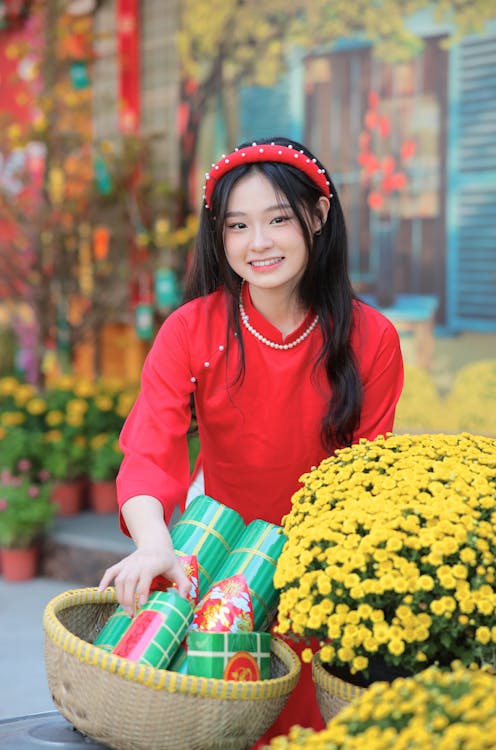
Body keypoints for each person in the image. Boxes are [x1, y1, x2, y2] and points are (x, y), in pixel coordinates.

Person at [98, 136, 404, 744]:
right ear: (221, 238)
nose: (257, 242)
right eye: (237, 225)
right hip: (214, 573)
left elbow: (368, 482)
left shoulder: (371, 338)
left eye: (278, 219)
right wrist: (156, 546)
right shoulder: (193, 329)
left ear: (317, 216)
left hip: (317, 581)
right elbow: (150, 450)